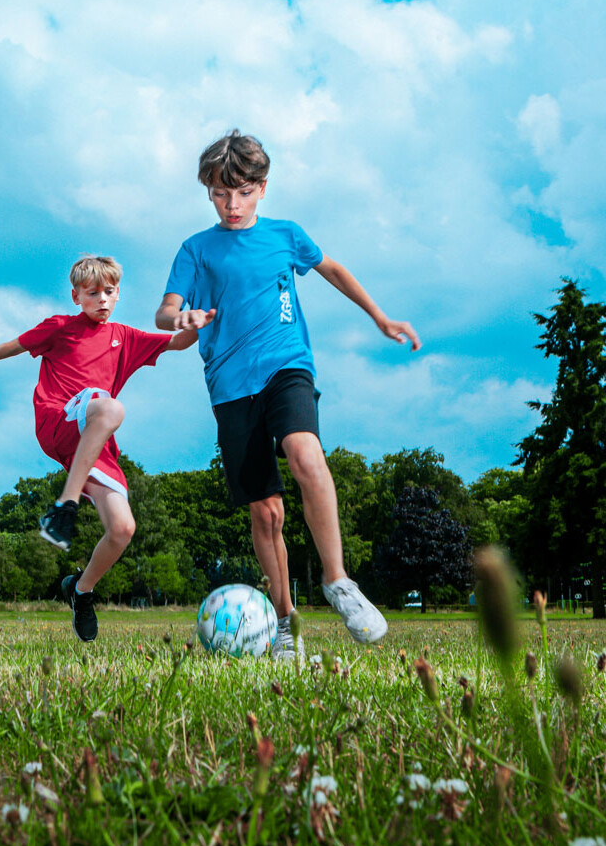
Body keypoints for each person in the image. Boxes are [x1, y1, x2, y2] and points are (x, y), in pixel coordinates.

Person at [156, 129, 421, 658]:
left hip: (287, 365)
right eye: (220, 194)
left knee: (305, 453)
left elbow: (333, 270)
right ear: (208, 191)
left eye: (244, 192)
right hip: (230, 386)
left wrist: (380, 316)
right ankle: (285, 623)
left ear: (263, 187)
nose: (233, 204)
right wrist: (181, 317)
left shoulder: (285, 235)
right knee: (267, 513)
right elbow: (165, 311)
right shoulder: (196, 249)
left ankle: (338, 581)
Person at [0, 255, 205, 642]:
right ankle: (64, 505)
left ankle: (80, 590)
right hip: (57, 421)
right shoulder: (60, 328)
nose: (102, 298)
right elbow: (13, 346)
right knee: (110, 406)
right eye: (93, 292)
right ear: (76, 296)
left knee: (122, 529)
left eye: (109, 291)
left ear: (118, 293)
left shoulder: (126, 337)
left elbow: (177, 342)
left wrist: (202, 320)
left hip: (91, 444)